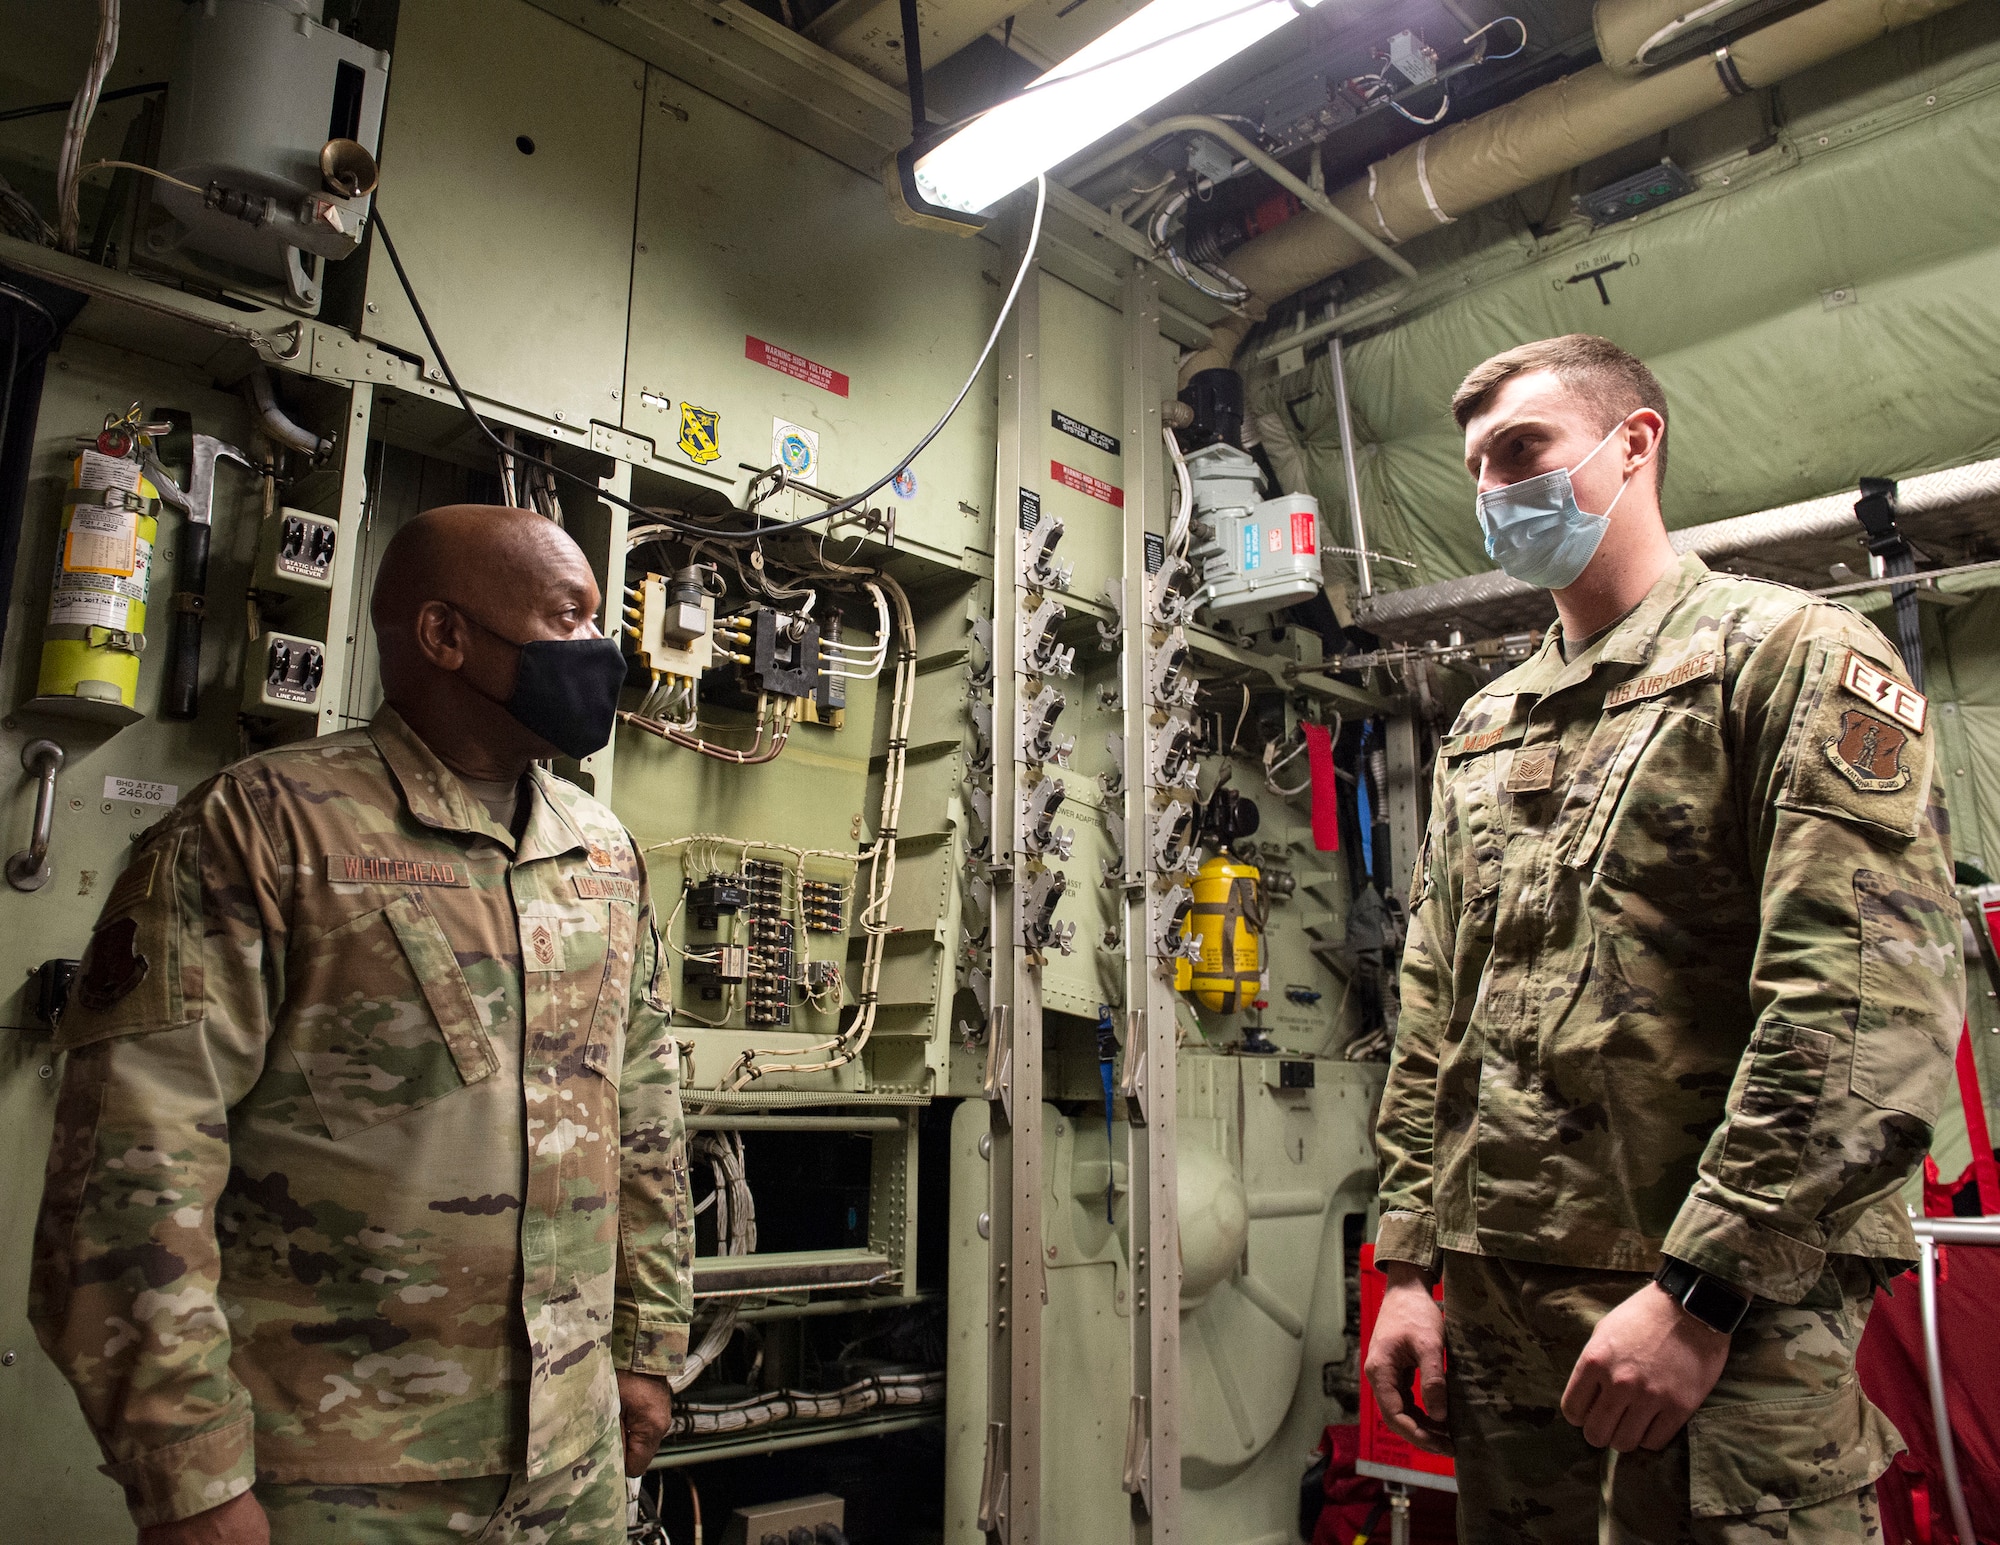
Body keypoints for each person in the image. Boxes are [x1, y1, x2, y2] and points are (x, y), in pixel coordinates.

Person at [1363, 335, 1962, 1543]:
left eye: (1520, 450)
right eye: (1476, 468)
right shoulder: (1484, 725)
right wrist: (1409, 1268)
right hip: (1500, 1307)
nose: (1493, 490)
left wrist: (1699, 1293)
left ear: (1632, 442)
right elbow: (1435, 1005)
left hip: (1716, 1316)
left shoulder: (1785, 656)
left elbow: (1858, 1006)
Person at [31, 505, 691, 1544]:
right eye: (569, 616)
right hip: (339, 1477)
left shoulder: (601, 851)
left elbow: (644, 1111)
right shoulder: (264, 826)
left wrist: (647, 1352)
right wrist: (187, 1473)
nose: (598, 651)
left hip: (574, 1465)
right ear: (443, 636)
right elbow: (133, 1165)